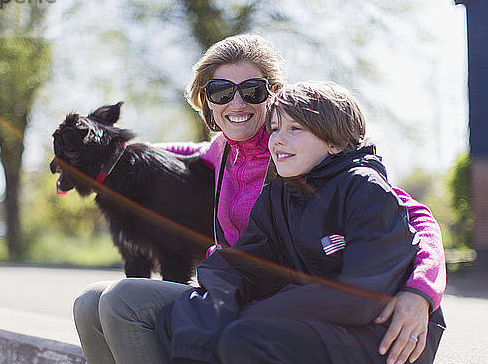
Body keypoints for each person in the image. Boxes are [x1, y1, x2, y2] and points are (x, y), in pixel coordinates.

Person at [73, 34, 446, 364]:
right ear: (207, 102)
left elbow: (410, 216)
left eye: (252, 90)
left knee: (122, 300)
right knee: (90, 303)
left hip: (283, 304)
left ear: (274, 95)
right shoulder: (223, 152)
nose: (236, 103)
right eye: (221, 91)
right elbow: (177, 153)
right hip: (237, 290)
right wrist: (108, 153)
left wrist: (420, 291)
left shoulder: (295, 157)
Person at [155, 81, 445, 364]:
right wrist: (207, 312)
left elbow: (360, 295)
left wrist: (252, 314)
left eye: (295, 129)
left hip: (384, 334)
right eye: (275, 129)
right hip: (325, 323)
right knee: (181, 319)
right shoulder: (280, 193)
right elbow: (244, 265)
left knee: (245, 337)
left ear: (336, 142)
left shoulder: (364, 189)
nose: (278, 139)